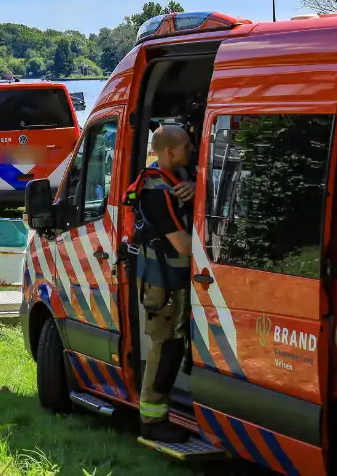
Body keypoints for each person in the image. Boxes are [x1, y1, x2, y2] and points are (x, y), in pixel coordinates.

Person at [135, 125, 196, 444]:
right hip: (164, 281)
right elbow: (184, 244)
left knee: (174, 344)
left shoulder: (177, 176)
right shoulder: (157, 191)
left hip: (174, 278)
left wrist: (197, 187)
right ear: (169, 153)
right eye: (187, 146)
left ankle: (159, 414)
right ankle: (152, 420)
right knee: (166, 346)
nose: (193, 148)